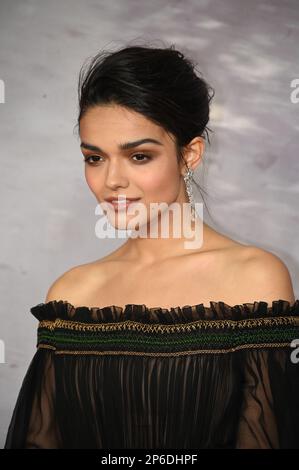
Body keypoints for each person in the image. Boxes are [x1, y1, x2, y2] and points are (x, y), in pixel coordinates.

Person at [4, 43, 299, 449]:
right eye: (94, 158)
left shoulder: (253, 278)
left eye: (139, 156)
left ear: (189, 155)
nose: (112, 181)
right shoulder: (71, 296)